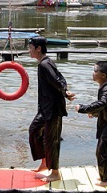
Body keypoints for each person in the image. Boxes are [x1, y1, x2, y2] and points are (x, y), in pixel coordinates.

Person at [27, 36, 75, 183]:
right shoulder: (45, 63)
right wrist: (65, 91)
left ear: (38, 48)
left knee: (51, 140)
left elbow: (58, 81)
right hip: (45, 109)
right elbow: (60, 80)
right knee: (34, 130)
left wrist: (65, 92)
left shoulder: (45, 64)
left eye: (30, 47)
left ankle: (55, 173)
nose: (29, 50)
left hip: (53, 109)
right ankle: (44, 162)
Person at [75, 60, 107, 186]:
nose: (93, 73)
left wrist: (83, 108)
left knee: (103, 151)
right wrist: (95, 113)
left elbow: (103, 103)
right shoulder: (104, 87)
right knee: (105, 150)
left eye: (95, 71)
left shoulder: (106, 89)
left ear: (103, 75)